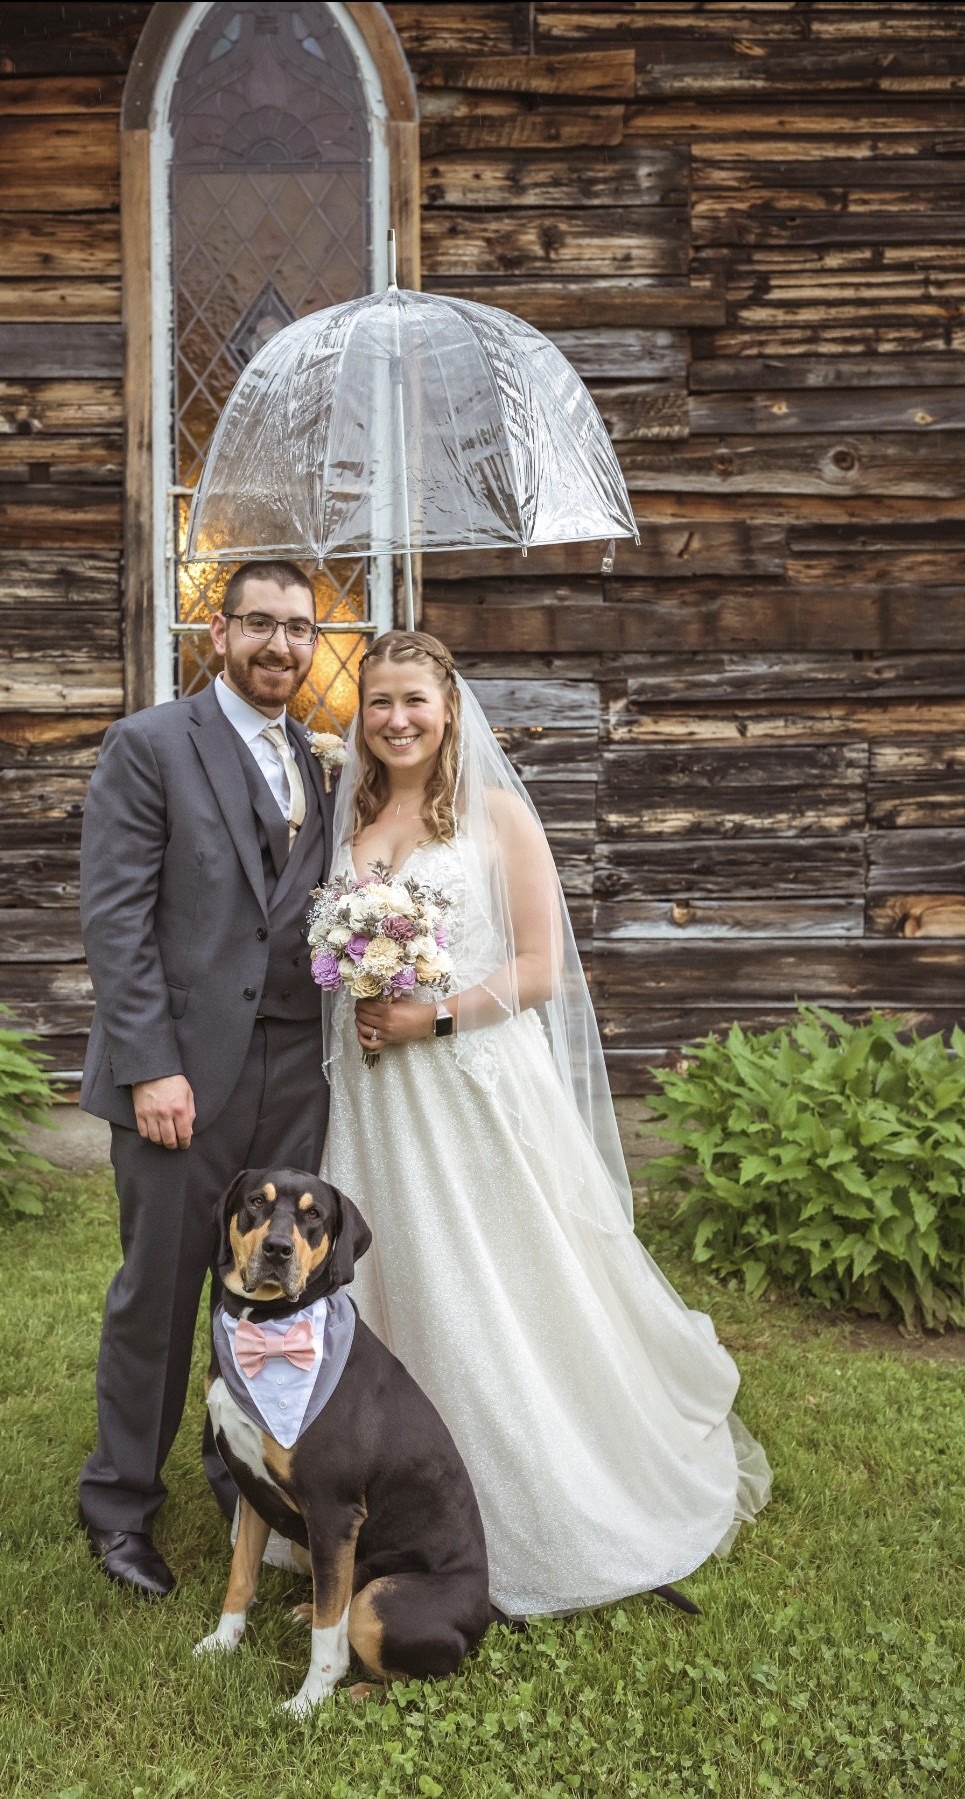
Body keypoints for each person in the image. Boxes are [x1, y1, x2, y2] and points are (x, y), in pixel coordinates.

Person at [321, 630, 771, 1619]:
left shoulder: (497, 815)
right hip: (382, 1099)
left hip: (473, 1086)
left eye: (414, 700)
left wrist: (425, 1014)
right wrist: (361, 994)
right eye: (379, 701)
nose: (396, 718)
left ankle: (548, 1497)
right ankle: (395, 1500)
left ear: (449, 709)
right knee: (400, 1279)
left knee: (504, 1281)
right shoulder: (353, 815)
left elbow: (539, 971)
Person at [76, 560, 333, 1598]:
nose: (281, 645)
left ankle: (241, 1476)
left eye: (300, 629)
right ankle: (118, 1503)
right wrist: (150, 1067)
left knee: (266, 1292)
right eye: (260, 625)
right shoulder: (150, 744)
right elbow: (116, 918)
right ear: (217, 634)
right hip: (181, 1073)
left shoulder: (313, 759)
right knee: (162, 1291)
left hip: (294, 1068)